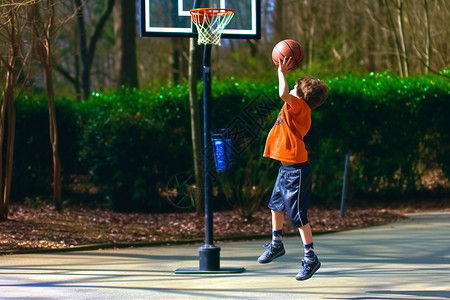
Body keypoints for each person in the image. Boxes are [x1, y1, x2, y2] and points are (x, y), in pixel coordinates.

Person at [258, 56, 329, 281]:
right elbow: (285, 95)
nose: (292, 88)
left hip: (297, 171)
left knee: (298, 217)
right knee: (275, 206)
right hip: (287, 170)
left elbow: (282, 93)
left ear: (301, 94)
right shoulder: (296, 107)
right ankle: (277, 244)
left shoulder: (300, 107)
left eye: (296, 87)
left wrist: (281, 72)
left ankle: (311, 258)